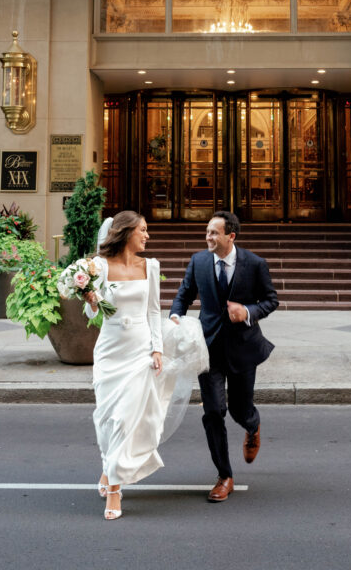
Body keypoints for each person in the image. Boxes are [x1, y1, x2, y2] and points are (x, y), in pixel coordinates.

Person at [82, 209, 207, 521]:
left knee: (129, 419)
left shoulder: (151, 266)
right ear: (126, 233)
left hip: (140, 350)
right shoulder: (97, 266)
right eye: (143, 230)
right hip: (111, 351)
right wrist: (90, 299)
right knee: (110, 418)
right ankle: (109, 467)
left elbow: (154, 311)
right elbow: (94, 315)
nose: (148, 236)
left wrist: (157, 348)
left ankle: (114, 489)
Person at [170, 210, 279, 503]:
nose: (208, 237)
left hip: (243, 347)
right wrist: (174, 317)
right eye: (207, 232)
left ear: (231, 236)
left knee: (239, 410)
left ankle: (253, 427)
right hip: (208, 350)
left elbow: (271, 300)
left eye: (214, 233)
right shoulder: (199, 261)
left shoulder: (255, 264)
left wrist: (247, 312)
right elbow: (184, 294)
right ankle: (224, 476)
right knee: (213, 411)